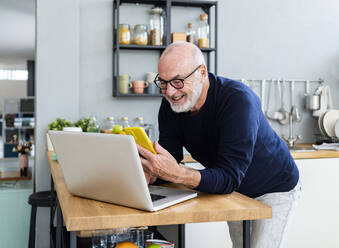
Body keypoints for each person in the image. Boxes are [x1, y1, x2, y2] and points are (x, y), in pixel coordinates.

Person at [137, 41, 301, 248]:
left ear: (202, 72)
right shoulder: (171, 105)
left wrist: (176, 173)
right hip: (235, 189)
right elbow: (169, 158)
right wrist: (150, 173)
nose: (169, 92)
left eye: (178, 81)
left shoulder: (238, 101)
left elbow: (229, 176)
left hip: (274, 186)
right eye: (163, 82)